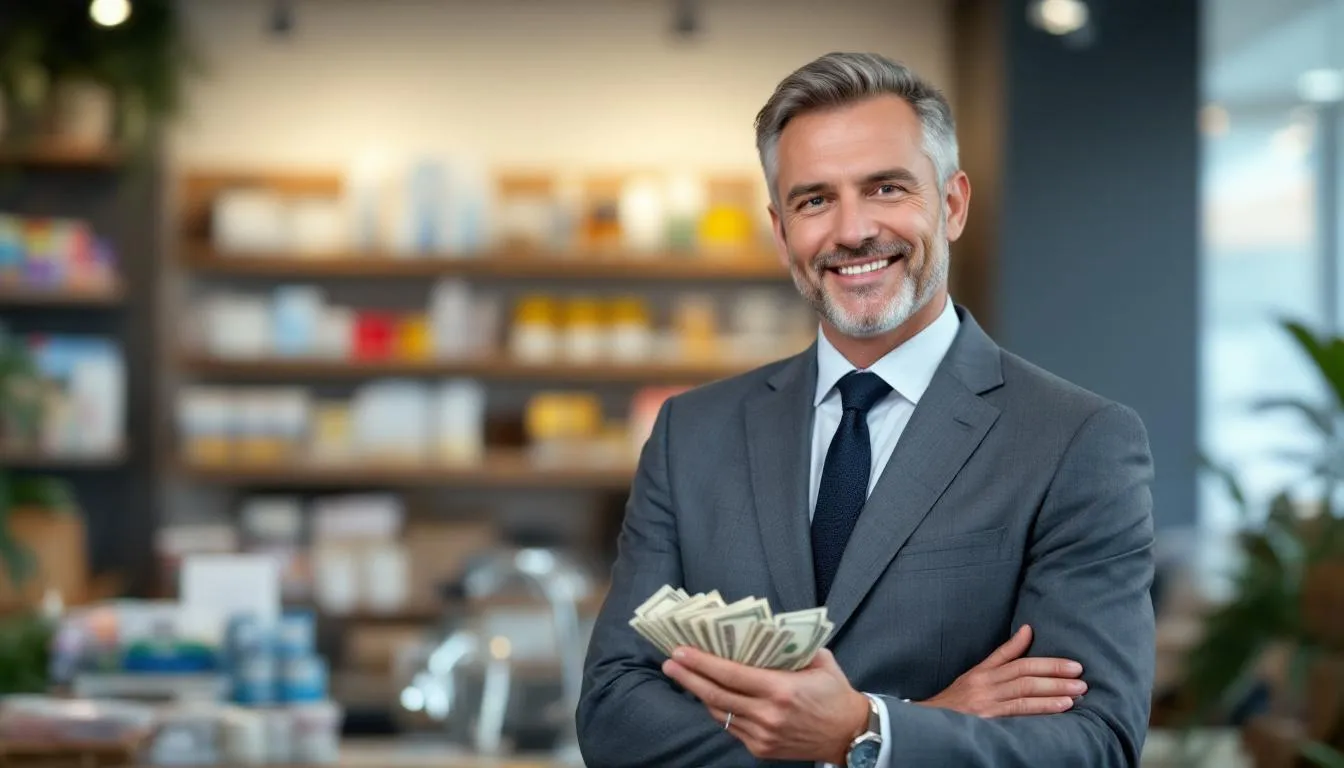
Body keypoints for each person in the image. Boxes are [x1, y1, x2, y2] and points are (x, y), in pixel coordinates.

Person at [576, 52, 1155, 768]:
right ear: (781, 230)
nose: (851, 231)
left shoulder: (1076, 442)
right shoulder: (690, 434)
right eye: (814, 199)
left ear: (951, 203)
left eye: (885, 188)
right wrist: (876, 734)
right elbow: (612, 712)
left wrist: (865, 728)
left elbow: (1094, 745)